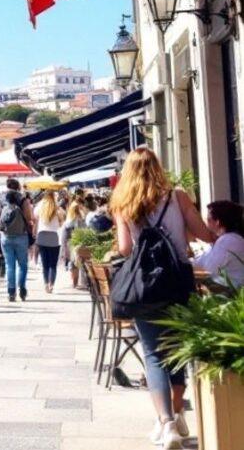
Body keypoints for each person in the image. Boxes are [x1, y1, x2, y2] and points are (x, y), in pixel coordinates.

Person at [111, 148, 215, 450]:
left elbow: (125, 248)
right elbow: (203, 234)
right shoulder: (177, 196)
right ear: (158, 167)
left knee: (154, 353)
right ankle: (178, 412)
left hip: (145, 286)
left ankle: (167, 422)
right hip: (178, 280)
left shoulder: (124, 203)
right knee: (177, 349)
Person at [193, 200, 244, 289]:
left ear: (217, 222)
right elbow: (202, 261)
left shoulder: (228, 240)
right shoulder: (230, 239)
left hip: (231, 290)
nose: (206, 224)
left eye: (208, 220)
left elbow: (209, 270)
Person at [0, 178, 35, 302]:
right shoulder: (23, 199)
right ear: (18, 186)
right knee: (23, 265)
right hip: (21, 236)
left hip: (6, 236)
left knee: (9, 265)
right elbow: (29, 218)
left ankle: (11, 291)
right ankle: (22, 289)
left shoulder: (1, 199)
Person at [35, 192, 64, 293]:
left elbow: (34, 217)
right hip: (53, 237)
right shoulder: (57, 208)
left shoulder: (39, 206)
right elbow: (61, 222)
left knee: (45, 264)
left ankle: (46, 284)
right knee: (53, 264)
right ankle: (51, 285)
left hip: (42, 236)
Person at [61, 199, 87, 288]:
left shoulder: (70, 220)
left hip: (73, 242)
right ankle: (78, 282)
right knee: (79, 262)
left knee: (73, 262)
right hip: (81, 242)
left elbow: (65, 231)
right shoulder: (82, 218)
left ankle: (74, 282)